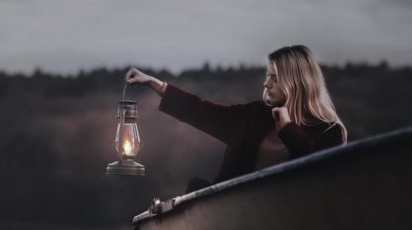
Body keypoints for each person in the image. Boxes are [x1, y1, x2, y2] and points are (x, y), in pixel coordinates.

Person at [125, 45, 347, 192]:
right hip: (229, 222)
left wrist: (288, 129)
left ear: (296, 82)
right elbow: (203, 111)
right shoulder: (253, 116)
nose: (266, 83)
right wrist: (155, 84)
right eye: (266, 75)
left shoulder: (330, 132)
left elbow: (320, 178)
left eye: (274, 77)